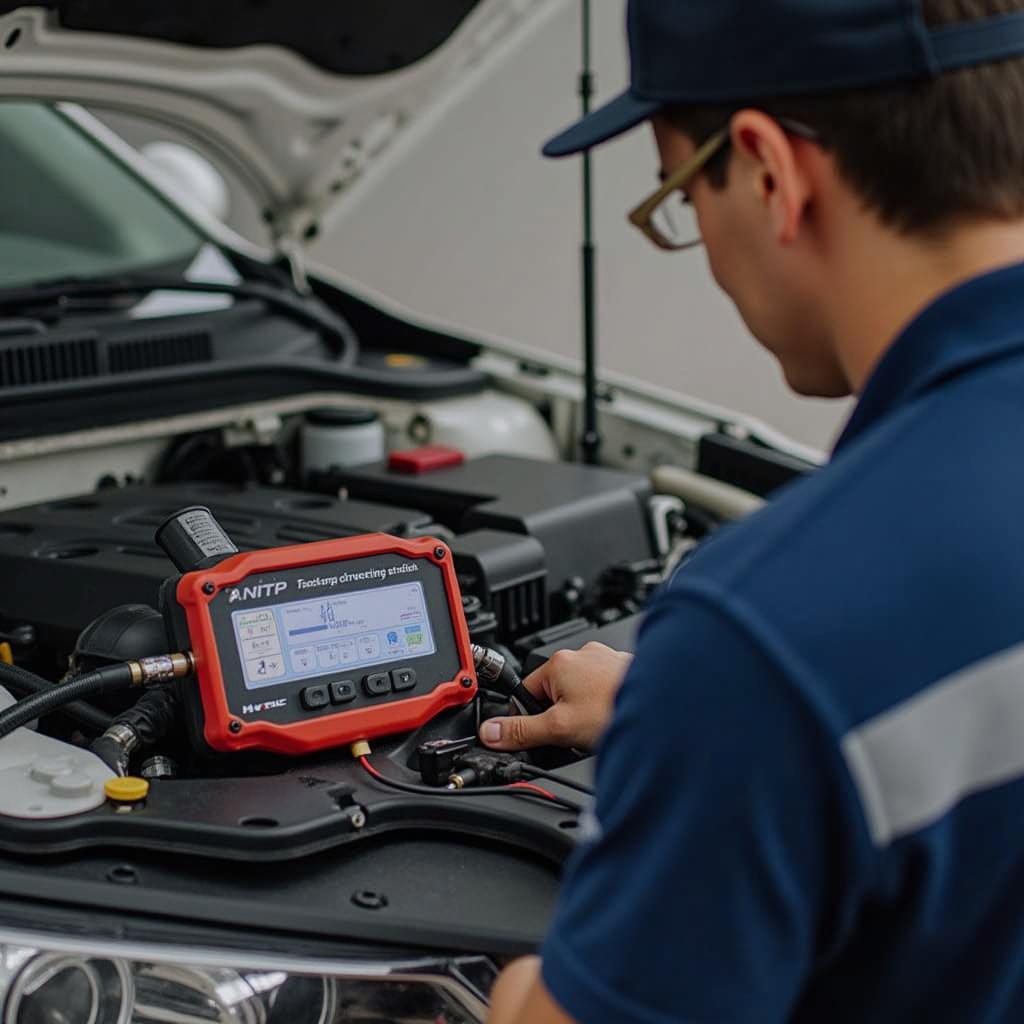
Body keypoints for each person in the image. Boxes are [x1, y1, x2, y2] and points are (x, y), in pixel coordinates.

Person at [482, 1, 1024, 1021]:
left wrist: (511, 998)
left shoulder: (774, 634)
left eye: (676, 198)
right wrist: (704, 721)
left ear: (769, 171)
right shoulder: (785, 671)